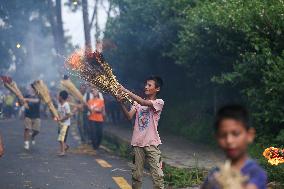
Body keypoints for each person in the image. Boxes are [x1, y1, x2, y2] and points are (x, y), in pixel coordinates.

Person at [201, 105, 267, 189]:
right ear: (217, 138)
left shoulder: (255, 173)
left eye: (236, 134)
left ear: (249, 135)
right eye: (223, 135)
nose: (229, 140)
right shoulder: (215, 174)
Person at [117, 76, 165, 189]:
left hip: (152, 144)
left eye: (149, 85)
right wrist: (120, 103)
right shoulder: (136, 104)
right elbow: (129, 116)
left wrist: (125, 91)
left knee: (158, 175)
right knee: (136, 176)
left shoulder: (159, 102)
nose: (146, 87)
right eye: (146, 85)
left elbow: (143, 102)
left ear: (157, 89)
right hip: (137, 143)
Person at [23, 85, 41, 150]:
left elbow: (36, 101)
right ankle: (26, 143)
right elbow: (22, 102)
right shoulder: (26, 95)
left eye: (33, 88)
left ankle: (32, 136)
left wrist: (26, 99)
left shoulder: (38, 95)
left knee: (37, 131)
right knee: (27, 129)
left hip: (36, 116)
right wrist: (23, 102)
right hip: (28, 115)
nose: (31, 89)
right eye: (30, 88)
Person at [56, 90, 72, 156]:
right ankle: (65, 147)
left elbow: (68, 115)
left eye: (58, 95)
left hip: (66, 124)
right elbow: (58, 113)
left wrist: (61, 119)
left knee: (61, 138)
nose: (57, 97)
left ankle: (63, 152)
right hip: (60, 124)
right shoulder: (59, 104)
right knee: (60, 138)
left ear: (61, 97)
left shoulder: (66, 105)